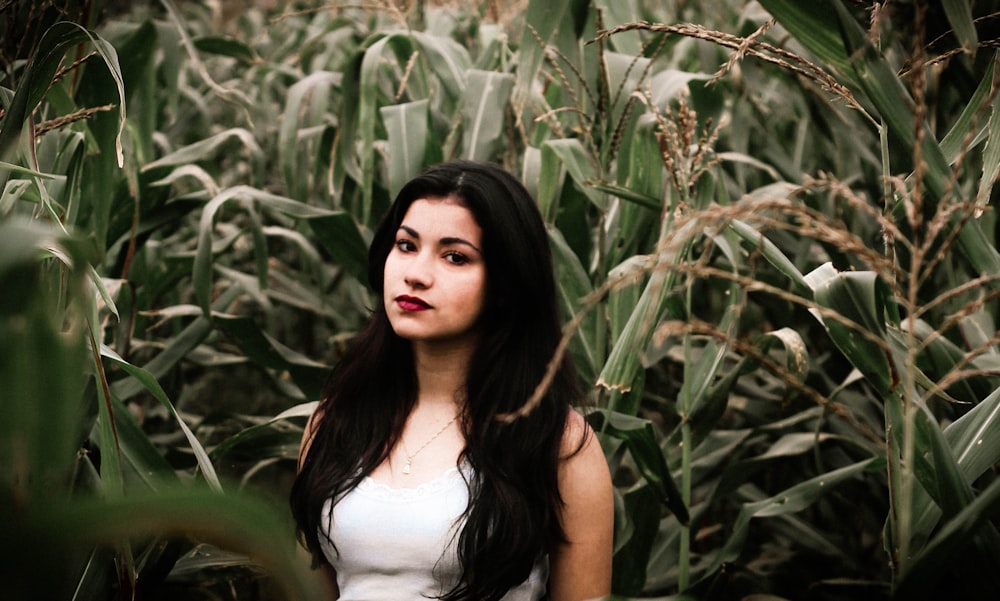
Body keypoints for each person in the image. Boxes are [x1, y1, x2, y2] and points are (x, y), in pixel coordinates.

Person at [290, 160, 614, 601]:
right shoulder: (335, 423)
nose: (417, 274)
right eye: (406, 245)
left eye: (455, 256)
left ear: (504, 285)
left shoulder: (556, 442)